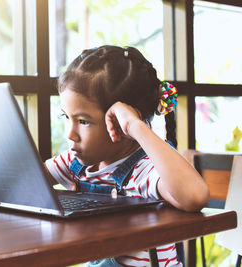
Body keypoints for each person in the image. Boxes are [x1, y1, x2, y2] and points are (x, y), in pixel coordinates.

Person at [45, 45, 210, 267]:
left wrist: (136, 126)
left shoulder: (144, 171)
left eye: (83, 121)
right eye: (66, 117)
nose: (70, 134)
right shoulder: (75, 162)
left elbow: (195, 197)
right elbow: (24, 184)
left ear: (121, 126)